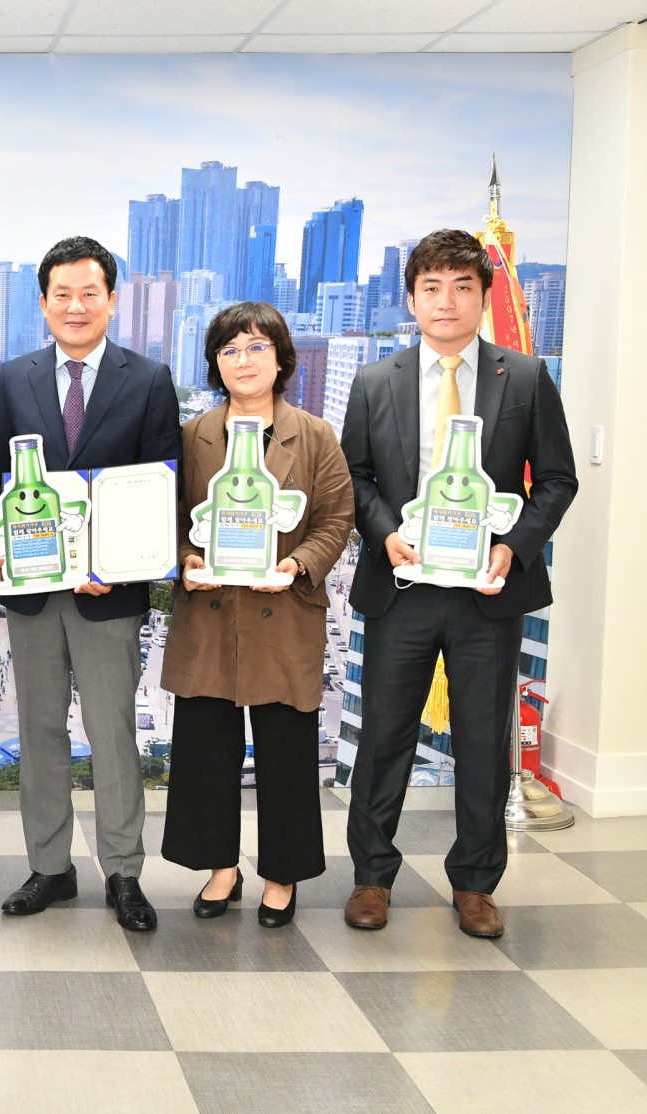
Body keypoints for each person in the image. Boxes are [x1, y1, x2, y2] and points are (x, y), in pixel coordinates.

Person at [340, 228, 577, 938]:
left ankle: (475, 883)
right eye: (432, 288)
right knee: (384, 739)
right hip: (401, 589)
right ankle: (372, 878)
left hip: (487, 595)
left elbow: (557, 480)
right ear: (412, 299)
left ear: (483, 297)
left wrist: (514, 548)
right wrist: (386, 534)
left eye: (462, 287)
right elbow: (355, 477)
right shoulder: (375, 380)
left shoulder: (524, 378)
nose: (447, 301)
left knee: (481, 743)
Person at [0, 235, 181, 931]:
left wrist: (116, 566)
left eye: (89, 293)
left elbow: (159, 487)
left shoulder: (149, 379)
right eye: (62, 294)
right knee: (39, 732)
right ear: (43, 303)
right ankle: (50, 867)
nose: (76, 306)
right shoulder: (12, 378)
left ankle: (123, 872)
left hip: (110, 595)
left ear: (112, 300)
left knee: (112, 733)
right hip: (35, 591)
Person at [159, 302, 352, 927]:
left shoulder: (315, 435)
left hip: (284, 613)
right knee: (206, 749)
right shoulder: (192, 436)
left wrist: (295, 565)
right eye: (230, 350)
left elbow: (336, 520)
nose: (244, 360)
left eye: (256, 347)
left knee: (286, 752)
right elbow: (168, 519)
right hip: (210, 613)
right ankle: (221, 868)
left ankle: (281, 875)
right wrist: (186, 559)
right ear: (216, 364)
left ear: (280, 357)